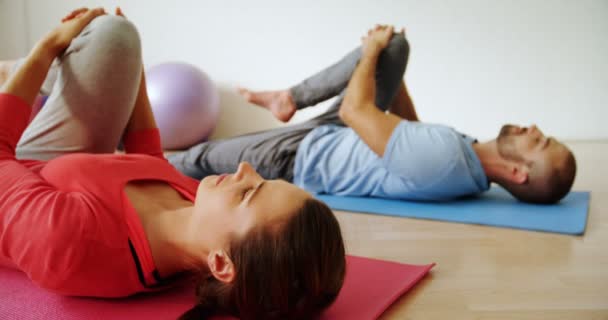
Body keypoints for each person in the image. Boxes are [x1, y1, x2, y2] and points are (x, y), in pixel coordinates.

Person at [0, 8, 346, 320]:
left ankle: (15, 70)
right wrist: (133, 70)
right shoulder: (200, 208)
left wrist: (45, 49)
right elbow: (147, 160)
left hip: (13, 166)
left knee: (96, 41)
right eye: (263, 180)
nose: (245, 170)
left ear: (222, 263)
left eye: (248, 194)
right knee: (116, 36)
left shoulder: (69, 241)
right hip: (51, 168)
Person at [168, 25, 577, 204]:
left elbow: (354, 108)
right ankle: (288, 98)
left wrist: (369, 53)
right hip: (337, 134)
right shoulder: (465, 161)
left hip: (298, 155)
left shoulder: (446, 159)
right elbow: (408, 133)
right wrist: (389, 78)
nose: (535, 129)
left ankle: (124, 159)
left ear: (519, 173)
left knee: (195, 159)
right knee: (395, 46)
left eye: (538, 142)